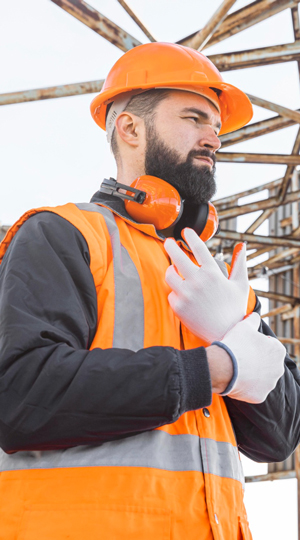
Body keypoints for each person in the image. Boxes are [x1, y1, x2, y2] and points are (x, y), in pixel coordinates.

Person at [0, 42, 299, 540]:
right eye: (194, 118)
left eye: (217, 128)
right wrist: (217, 368)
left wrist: (232, 326)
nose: (213, 138)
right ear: (130, 127)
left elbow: (279, 436)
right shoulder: (63, 235)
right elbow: (20, 397)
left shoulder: (220, 278)